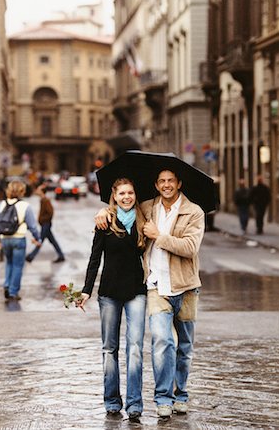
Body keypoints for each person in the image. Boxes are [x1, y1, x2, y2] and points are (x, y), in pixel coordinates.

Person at [95, 169, 205, 418]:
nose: (166, 185)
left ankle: (181, 394)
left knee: (184, 347)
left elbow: (190, 247)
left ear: (179, 184)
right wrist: (103, 212)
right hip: (156, 286)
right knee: (161, 342)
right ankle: (163, 398)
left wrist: (160, 236)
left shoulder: (194, 212)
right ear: (156, 184)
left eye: (171, 181)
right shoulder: (148, 207)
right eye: (162, 181)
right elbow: (122, 209)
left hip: (186, 286)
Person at [78, 178, 147, 422]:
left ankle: (135, 404)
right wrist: (86, 290)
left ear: (135, 195)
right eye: (122, 193)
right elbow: (94, 258)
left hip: (137, 291)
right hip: (108, 293)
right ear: (114, 196)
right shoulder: (105, 221)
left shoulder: (144, 221)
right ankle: (112, 401)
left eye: (130, 192)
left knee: (136, 348)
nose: (127, 197)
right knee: (110, 349)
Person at [0, 180, 41, 301]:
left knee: (9, 263)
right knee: (18, 266)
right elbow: (32, 226)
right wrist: (37, 238)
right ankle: (13, 292)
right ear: (22, 191)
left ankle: (7, 285)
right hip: (18, 239)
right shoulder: (25, 206)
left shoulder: (1, 204)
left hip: (5, 239)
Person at [25, 184, 65, 263]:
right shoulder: (42, 200)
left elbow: (50, 212)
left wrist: (42, 220)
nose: (37, 191)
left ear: (42, 192)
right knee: (53, 241)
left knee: (40, 240)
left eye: (39, 189)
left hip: (46, 224)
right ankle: (61, 255)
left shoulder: (46, 200)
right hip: (44, 224)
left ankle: (31, 256)